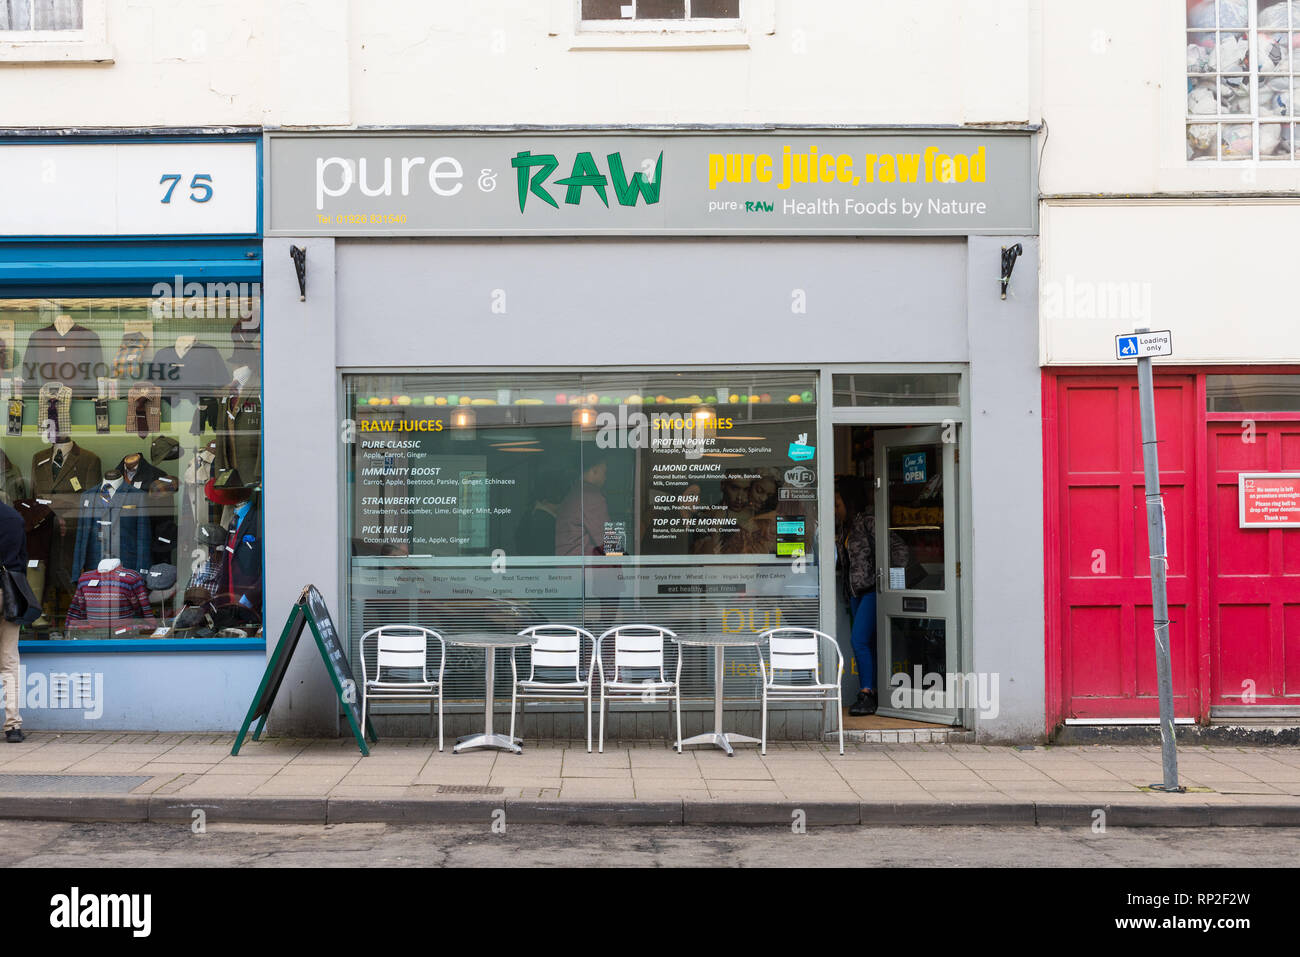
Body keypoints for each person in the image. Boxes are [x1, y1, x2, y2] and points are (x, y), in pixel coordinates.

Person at [836, 475, 907, 716]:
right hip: (856, 593)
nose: (835, 509)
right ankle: (876, 691)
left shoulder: (868, 522)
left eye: (837, 504)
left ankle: (867, 693)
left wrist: (888, 580)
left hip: (872, 591)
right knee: (869, 643)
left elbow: (898, 549)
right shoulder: (845, 526)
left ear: (849, 501)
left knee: (859, 640)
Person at [0, 499, 27, 742]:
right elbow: (22, 560)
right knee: (10, 659)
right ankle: (13, 726)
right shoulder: (14, 518)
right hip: (9, 593)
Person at [554, 457, 611, 556]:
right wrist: (626, 561)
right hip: (581, 568)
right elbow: (607, 541)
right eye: (604, 472)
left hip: (568, 565)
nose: (605, 478)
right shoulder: (591, 496)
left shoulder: (573, 493)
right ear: (595, 471)